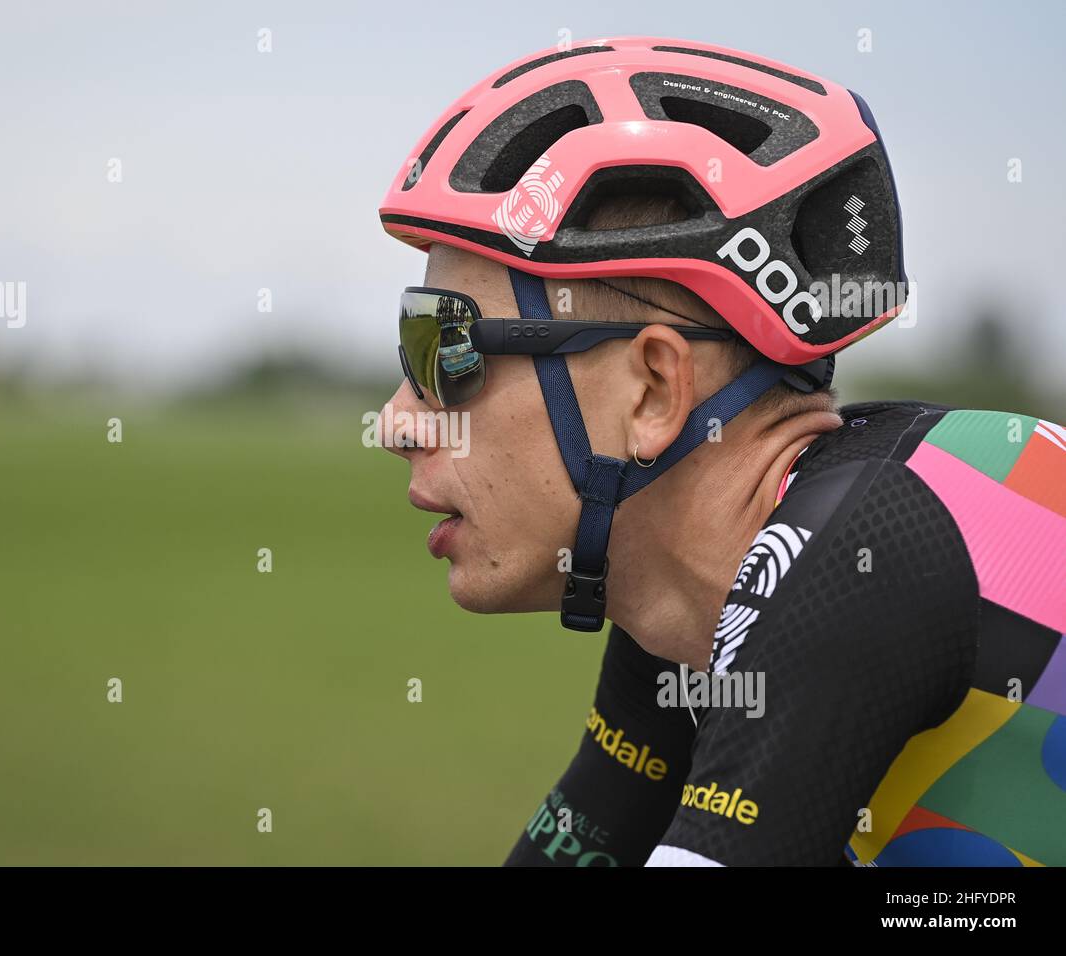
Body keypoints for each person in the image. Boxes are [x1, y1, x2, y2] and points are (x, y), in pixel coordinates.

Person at [378, 37, 1066, 866]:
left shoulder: (867, 543)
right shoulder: (694, 612)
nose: (397, 422)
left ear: (654, 391)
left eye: (446, 349)